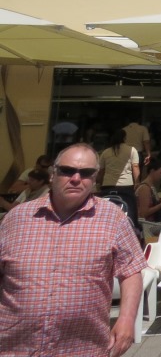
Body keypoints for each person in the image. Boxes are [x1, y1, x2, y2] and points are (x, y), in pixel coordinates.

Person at [0, 143, 147, 357]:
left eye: (86, 173)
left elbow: (131, 271)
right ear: (53, 174)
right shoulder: (17, 219)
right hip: (16, 346)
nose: (76, 178)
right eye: (67, 171)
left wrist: (126, 320)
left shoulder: (113, 219)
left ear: (95, 178)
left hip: (83, 347)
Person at [97, 127, 140, 226]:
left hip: (107, 186)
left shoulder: (106, 152)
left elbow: (101, 171)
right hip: (126, 186)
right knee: (130, 207)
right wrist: (137, 182)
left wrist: (99, 183)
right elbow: (135, 167)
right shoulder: (131, 150)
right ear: (124, 138)